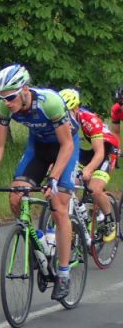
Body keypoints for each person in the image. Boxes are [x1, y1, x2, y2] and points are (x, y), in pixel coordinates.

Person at [0, 64, 80, 300]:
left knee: (58, 205)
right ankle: (39, 242)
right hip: (38, 148)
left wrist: (53, 178)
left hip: (65, 147)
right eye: (2, 98)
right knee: (16, 197)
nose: (7, 103)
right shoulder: (5, 106)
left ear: (25, 89)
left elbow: (67, 144)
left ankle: (64, 273)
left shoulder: (49, 102)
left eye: (11, 97)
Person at [59, 88, 119, 242]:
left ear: (76, 109)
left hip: (105, 151)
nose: (64, 116)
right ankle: (78, 218)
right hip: (83, 153)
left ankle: (109, 221)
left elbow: (99, 153)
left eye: (67, 112)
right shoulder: (58, 122)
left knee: (94, 188)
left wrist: (89, 169)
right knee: (67, 184)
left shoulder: (90, 121)